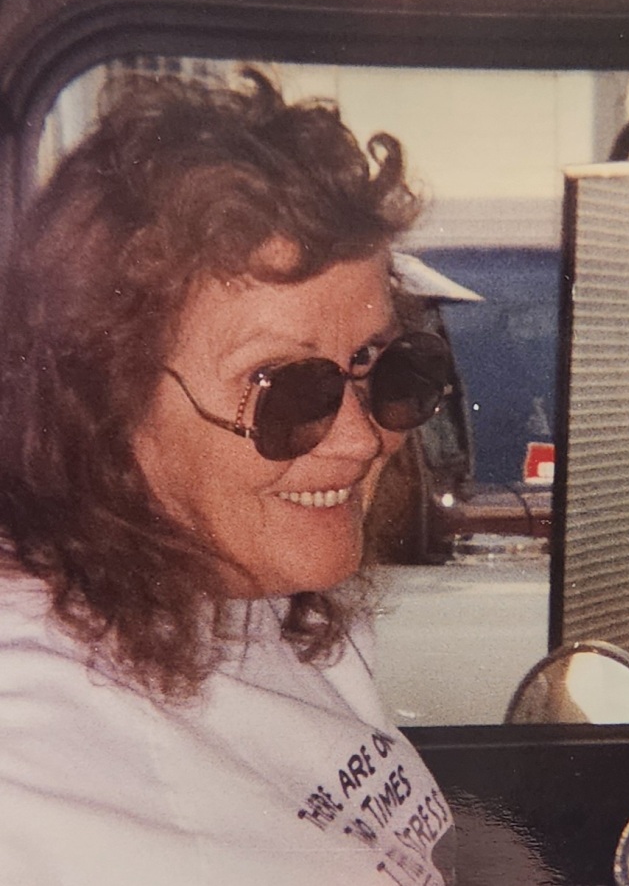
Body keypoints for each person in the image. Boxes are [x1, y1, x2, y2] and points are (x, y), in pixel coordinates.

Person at [0, 69, 456, 884]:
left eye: (377, 363)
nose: (361, 439)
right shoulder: (35, 759)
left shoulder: (250, 586)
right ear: (107, 406)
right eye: (284, 389)